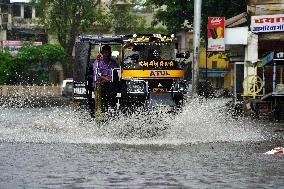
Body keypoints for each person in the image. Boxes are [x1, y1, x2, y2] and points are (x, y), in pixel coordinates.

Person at [93, 45, 120, 111]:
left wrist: (111, 78)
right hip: (100, 84)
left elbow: (117, 73)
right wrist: (105, 78)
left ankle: (114, 109)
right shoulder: (97, 63)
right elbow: (97, 75)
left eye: (108, 53)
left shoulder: (114, 63)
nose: (107, 54)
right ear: (102, 53)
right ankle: (101, 109)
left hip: (112, 84)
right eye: (105, 52)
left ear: (110, 53)